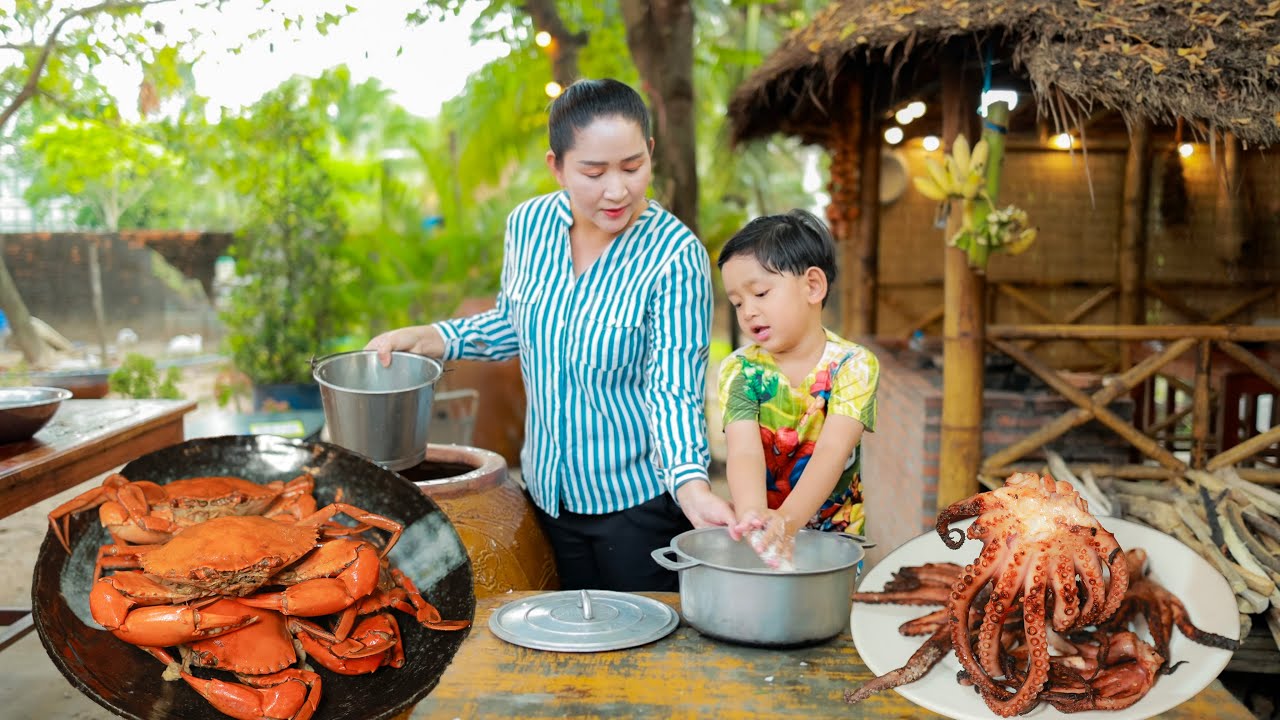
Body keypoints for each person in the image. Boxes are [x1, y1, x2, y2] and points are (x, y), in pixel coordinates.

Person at [366, 78, 734, 592]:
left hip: (635, 511)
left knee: (639, 657)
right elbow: (516, 325)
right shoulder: (529, 226)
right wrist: (432, 337)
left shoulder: (675, 256)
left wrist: (692, 488)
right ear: (556, 166)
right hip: (543, 500)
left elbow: (671, 390)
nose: (617, 189)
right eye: (593, 171)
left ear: (650, 153)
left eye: (632, 167)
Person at [716, 209, 879, 568]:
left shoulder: (854, 365)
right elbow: (743, 451)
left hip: (835, 537)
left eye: (760, 292)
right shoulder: (739, 370)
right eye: (738, 302)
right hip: (766, 533)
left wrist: (788, 522)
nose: (748, 311)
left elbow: (832, 451)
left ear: (813, 286)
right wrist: (754, 515)